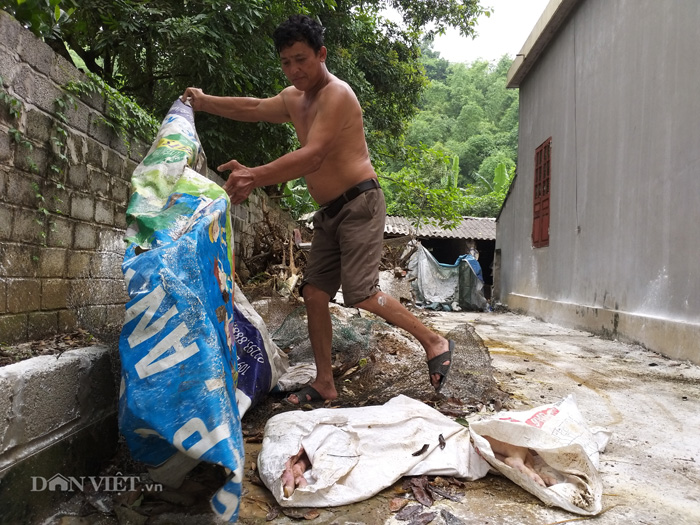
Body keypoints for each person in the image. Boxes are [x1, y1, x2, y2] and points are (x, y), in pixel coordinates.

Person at [181, 14, 453, 405]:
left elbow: (312, 157)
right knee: (313, 293)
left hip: (360, 202)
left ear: (321, 54)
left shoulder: (337, 95)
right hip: (329, 211)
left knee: (360, 293)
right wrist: (205, 103)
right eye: (286, 62)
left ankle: (433, 340)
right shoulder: (295, 99)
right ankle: (325, 382)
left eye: (301, 59)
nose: (294, 70)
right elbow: (254, 107)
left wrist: (254, 175)